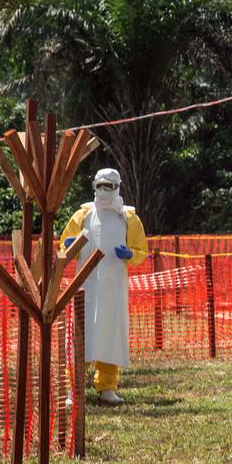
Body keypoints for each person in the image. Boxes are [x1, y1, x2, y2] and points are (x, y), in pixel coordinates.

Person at [60, 168, 148, 405]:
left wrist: (130, 254)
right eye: (99, 185)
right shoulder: (83, 215)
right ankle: (73, 388)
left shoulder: (128, 218)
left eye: (108, 186)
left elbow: (141, 251)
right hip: (85, 286)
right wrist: (69, 247)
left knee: (110, 334)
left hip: (113, 288)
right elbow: (63, 247)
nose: (103, 190)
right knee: (81, 334)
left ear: (117, 187)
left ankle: (107, 387)